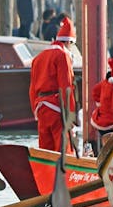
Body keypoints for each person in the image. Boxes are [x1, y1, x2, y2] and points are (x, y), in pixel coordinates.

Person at [28, 16, 80, 151]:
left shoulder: (39, 57)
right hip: (57, 107)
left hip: (41, 107)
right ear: (70, 42)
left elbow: (32, 88)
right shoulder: (63, 55)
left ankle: (45, 171)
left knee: (46, 150)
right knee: (64, 150)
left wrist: (35, 109)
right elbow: (66, 86)